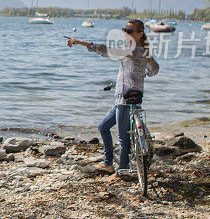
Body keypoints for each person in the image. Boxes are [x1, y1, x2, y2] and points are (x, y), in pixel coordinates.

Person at [67, 19, 159, 176]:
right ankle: (108, 164)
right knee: (103, 127)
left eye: (130, 31)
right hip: (133, 99)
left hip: (124, 100)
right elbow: (155, 69)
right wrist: (144, 74)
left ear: (139, 34)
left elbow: (105, 49)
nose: (125, 33)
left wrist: (81, 43)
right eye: (125, 30)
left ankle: (122, 169)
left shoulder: (131, 51)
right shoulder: (145, 52)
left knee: (123, 138)